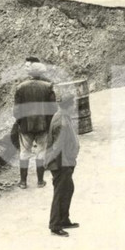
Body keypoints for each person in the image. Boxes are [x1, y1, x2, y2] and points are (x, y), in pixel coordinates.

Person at [13, 57, 56, 189]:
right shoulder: (48, 87)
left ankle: (23, 182)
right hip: (43, 126)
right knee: (41, 152)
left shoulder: (20, 88)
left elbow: (16, 110)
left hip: (26, 127)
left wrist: (20, 122)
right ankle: (40, 181)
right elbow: (53, 109)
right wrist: (48, 124)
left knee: (24, 153)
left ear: (30, 73)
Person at [43, 90, 80, 237]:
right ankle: (55, 225)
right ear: (68, 106)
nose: (74, 106)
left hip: (66, 161)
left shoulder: (64, 116)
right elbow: (57, 147)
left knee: (68, 188)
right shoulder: (61, 122)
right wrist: (48, 162)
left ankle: (64, 219)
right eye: (73, 104)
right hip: (61, 163)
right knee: (60, 192)